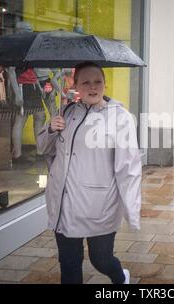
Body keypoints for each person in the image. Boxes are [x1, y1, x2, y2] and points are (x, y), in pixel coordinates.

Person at [37, 62, 142, 284]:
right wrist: (50, 129)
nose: (93, 87)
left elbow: (128, 167)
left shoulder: (120, 118)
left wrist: (132, 211)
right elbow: (43, 148)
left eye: (98, 82)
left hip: (99, 205)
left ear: (105, 84)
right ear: (76, 85)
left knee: (100, 260)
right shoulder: (65, 111)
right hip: (64, 203)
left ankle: (119, 276)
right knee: (69, 262)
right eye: (86, 82)